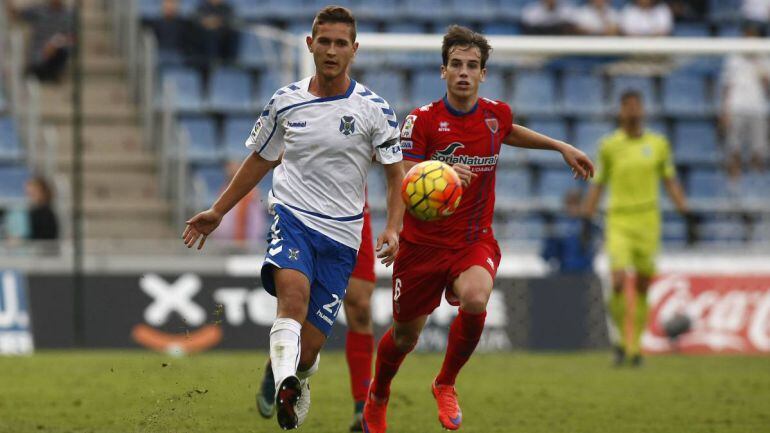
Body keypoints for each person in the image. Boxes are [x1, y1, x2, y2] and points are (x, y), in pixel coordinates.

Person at [361, 25, 594, 433]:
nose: (464, 72)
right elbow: (399, 169)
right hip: (421, 244)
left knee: (475, 296)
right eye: (456, 65)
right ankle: (378, 394)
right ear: (443, 71)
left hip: (472, 240)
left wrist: (561, 147)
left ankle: (445, 382)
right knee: (403, 337)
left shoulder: (495, 114)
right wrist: (404, 217)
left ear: (483, 73)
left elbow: (508, 132)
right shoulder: (422, 120)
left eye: (472, 66)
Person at [183, 6, 404, 430]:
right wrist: (218, 210)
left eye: (341, 43)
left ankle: (286, 373)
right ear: (310, 44)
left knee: (309, 350)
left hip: (342, 238)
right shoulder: (285, 102)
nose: (332, 50)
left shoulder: (375, 109)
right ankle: (288, 383)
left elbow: (396, 176)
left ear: (354, 50)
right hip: (293, 218)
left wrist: (393, 227)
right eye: (325, 41)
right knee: (292, 300)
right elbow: (259, 160)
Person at [582, 90, 691, 367]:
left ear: (642, 110)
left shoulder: (658, 144)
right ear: (620, 111)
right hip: (618, 219)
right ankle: (621, 340)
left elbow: (670, 180)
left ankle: (635, 347)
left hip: (648, 220)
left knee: (643, 285)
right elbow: (598, 183)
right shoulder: (609, 145)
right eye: (626, 106)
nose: (631, 111)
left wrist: (686, 212)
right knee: (618, 281)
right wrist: (586, 216)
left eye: (636, 106)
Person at [256, 199, 379, 432]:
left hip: (350, 218)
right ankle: (282, 364)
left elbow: (392, 165)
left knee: (361, 308)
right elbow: (269, 160)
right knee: (296, 300)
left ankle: (362, 406)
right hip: (303, 211)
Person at [720, 22, 770, 180]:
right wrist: (725, 111)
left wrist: (761, 70)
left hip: (758, 109)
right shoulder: (734, 58)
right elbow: (727, 86)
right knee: (733, 149)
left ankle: (756, 184)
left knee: (759, 150)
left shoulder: (765, 57)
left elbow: (768, 86)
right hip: (736, 107)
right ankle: (734, 186)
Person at [5, 0, 74, 83]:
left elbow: (70, 37)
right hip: (38, 56)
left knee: (63, 49)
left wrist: (54, 43)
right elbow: (16, 14)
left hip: (56, 55)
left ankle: (53, 75)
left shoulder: (69, 14)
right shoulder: (39, 10)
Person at [210, 160, 266, 247]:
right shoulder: (223, 191)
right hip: (224, 246)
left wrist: (252, 244)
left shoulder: (250, 193)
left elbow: (256, 223)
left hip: (245, 244)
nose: (231, 172)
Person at [541, 189, 596, 274]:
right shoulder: (560, 225)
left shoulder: (589, 225)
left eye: (576, 204)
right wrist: (549, 230)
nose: (572, 208)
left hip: (585, 274)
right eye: (569, 204)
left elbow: (591, 251)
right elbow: (547, 255)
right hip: (563, 274)